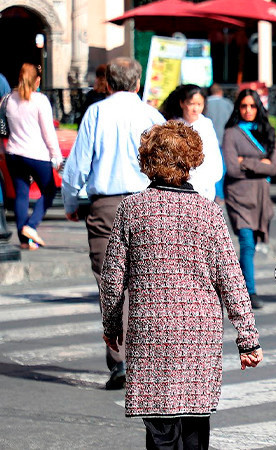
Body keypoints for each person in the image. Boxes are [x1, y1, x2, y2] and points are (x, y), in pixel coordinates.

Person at [101, 121, 263, 450]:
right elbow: (232, 280)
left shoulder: (132, 209)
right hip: (198, 333)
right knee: (194, 424)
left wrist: (112, 325)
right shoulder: (209, 213)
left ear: (148, 161)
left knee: (161, 431)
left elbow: (113, 278)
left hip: (151, 331)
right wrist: (248, 340)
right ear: (190, 161)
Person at [61, 56, 165, 390]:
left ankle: (119, 361)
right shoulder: (153, 116)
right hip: (148, 204)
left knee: (110, 283)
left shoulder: (96, 113)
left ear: (108, 83)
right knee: (146, 282)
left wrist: (71, 203)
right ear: (138, 83)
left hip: (106, 206)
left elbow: (77, 166)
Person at [222, 89, 276, 310]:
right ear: (238, 108)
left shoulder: (267, 131)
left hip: (260, 196)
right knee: (246, 243)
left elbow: (273, 168)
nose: (248, 110)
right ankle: (250, 291)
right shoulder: (231, 133)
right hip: (238, 195)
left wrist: (244, 161)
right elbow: (232, 169)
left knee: (252, 245)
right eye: (244, 106)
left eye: (252, 106)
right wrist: (259, 164)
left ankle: (234, 285)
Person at [2, 63, 62, 249]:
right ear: (37, 81)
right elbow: (48, 132)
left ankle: (24, 241)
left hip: (13, 153)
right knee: (49, 190)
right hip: (36, 154)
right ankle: (31, 226)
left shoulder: (8, 99)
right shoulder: (40, 100)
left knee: (21, 194)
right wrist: (56, 156)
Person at [160, 84, 223, 201]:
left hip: (203, 188)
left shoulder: (206, 125)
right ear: (182, 103)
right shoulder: (173, 125)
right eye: (191, 104)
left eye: (199, 104)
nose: (195, 109)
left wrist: (209, 179)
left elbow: (213, 157)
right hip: (178, 187)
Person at [205, 83, 234, 200]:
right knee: (223, 167)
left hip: (209, 141)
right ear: (220, 92)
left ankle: (217, 193)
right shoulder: (228, 104)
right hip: (225, 140)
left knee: (212, 167)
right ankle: (222, 193)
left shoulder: (205, 104)